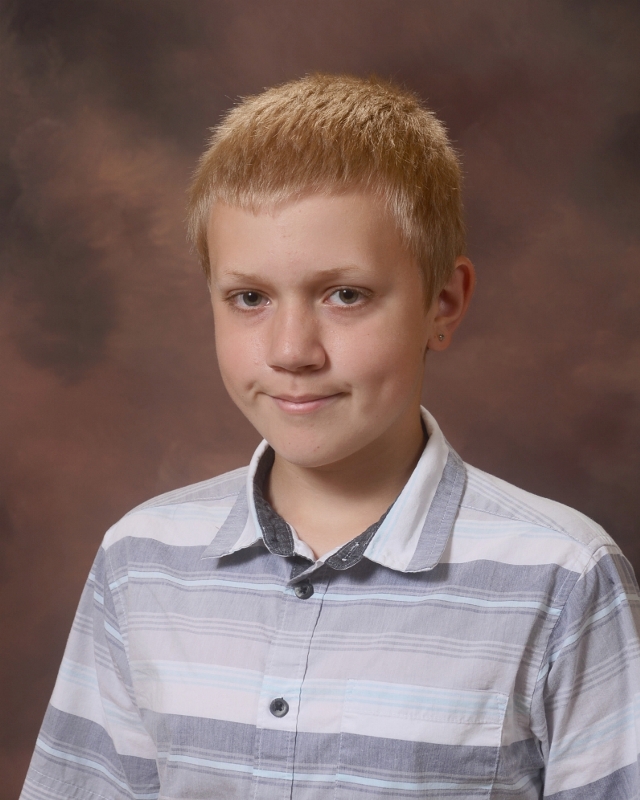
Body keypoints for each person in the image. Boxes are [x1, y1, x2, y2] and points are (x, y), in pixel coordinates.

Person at [20, 74, 640, 800]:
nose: (292, 351)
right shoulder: (140, 562)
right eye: (250, 298)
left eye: (345, 295)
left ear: (444, 303)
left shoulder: (564, 580)